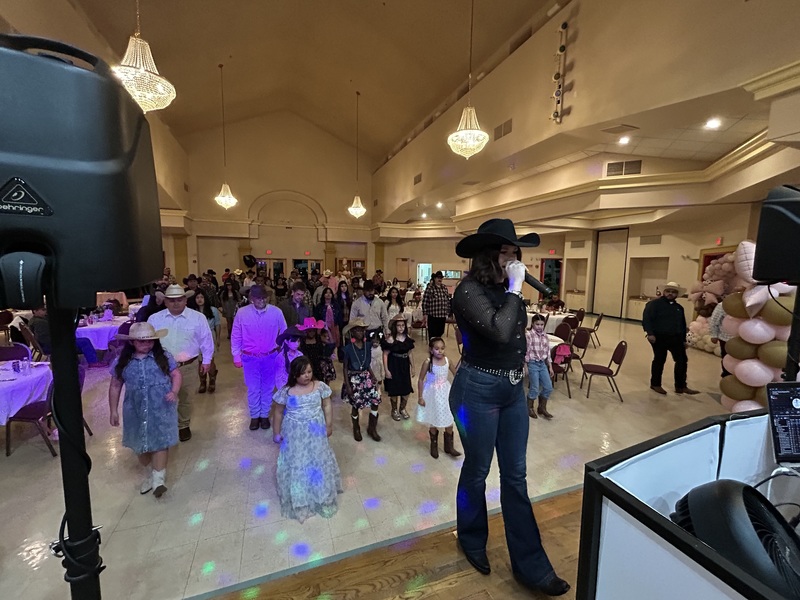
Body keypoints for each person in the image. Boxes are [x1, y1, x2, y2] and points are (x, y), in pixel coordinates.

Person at [449, 218, 570, 596]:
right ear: (488, 255)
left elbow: (515, 339)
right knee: (477, 470)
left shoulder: (509, 290)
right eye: (505, 252)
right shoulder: (468, 291)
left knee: (515, 476)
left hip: (512, 389)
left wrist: (515, 290)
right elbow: (500, 331)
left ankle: (532, 568)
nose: (513, 258)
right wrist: (516, 290)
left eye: (515, 252)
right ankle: (471, 538)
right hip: (476, 389)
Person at [107, 322, 182, 498]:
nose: (147, 345)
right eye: (142, 342)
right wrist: (113, 410)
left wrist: (174, 391)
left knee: (160, 441)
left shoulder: (163, 357)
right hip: (135, 408)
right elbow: (115, 385)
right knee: (140, 445)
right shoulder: (122, 362)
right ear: (132, 342)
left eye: (150, 341)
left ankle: (158, 480)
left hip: (160, 405)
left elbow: (176, 374)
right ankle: (152, 472)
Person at [272, 356, 342, 522]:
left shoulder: (319, 387)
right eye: (302, 373)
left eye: (309, 372)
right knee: (299, 461)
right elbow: (278, 412)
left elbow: (326, 405)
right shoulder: (286, 392)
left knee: (317, 460)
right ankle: (301, 498)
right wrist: (276, 432)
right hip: (295, 433)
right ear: (294, 374)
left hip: (316, 431)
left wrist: (329, 424)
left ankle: (321, 494)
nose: (307, 376)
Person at [148, 284, 215, 442]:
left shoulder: (198, 318)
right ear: (165, 302)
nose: (176, 303)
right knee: (161, 397)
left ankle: (183, 425)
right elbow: (148, 342)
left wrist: (206, 360)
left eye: (179, 299)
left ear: (185, 300)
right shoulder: (155, 319)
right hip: (160, 366)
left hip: (187, 365)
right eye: (172, 300)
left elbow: (206, 340)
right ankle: (164, 426)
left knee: (185, 397)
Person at [231, 285, 287, 431]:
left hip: (271, 356)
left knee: (268, 387)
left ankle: (264, 415)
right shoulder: (242, 313)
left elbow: (285, 333)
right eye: (258, 297)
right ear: (251, 298)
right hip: (250, 358)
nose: (261, 300)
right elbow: (236, 334)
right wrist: (236, 355)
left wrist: (284, 352)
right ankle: (255, 416)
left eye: (264, 297)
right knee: (253, 388)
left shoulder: (276, 312)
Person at [642, 281, 699, 395]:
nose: (670, 294)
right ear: (664, 292)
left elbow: (682, 325)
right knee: (659, 360)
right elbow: (647, 319)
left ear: (677, 294)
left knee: (682, 361)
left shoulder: (679, 308)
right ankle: (655, 384)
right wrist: (650, 333)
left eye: (673, 292)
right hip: (659, 337)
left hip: (676, 339)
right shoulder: (654, 304)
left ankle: (681, 386)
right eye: (668, 291)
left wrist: (683, 340)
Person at [417, 337, 461, 459]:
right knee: (433, 418)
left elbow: (456, 374)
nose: (440, 351)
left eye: (442, 348)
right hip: (432, 393)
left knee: (448, 417)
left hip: (445, 392)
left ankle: (449, 446)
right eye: (436, 349)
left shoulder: (448, 361)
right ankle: (434, 445)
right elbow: (420, 379)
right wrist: (420, 396)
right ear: (431, 350)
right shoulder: (428, 362)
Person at [341, 318, 381, 442]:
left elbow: (367, 363)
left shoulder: (367, 346)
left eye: (362, 330)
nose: (360, 332)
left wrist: (373, 375)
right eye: (357, 330)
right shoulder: (348, 348)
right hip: (354, 379)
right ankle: (356, 427)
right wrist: (348, 385)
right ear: (352, 332)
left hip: (367, 377)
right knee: (355, 404)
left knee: (375, 401)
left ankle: (372, 428)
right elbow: (345, 367)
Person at [28, 305, 106, 368]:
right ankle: (93, 362)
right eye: (43, 310)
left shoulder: (36, 320)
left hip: (52, 343)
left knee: (80, 340)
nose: (45, 311)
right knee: (84, 341)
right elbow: (45, 339)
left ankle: (82, 359)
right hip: (53, 345)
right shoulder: (39, 323)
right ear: (35, 311)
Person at [382, 314, 415, 421]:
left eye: (403, 325)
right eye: (398, 325)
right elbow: (385, 354)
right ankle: (394, 409)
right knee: (394, 389)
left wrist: (413, 367)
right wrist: (386, 370)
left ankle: (402, 408)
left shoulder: (408, 339)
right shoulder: (390, 339)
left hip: (404, 366)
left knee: (406, 389)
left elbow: (410, 353)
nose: (401, 327)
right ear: (394, 327)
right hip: (394, 365)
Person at [525, 314, 555, 419]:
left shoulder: (545, 336)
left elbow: (548, 352)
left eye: (542, 324)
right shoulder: (529, 335)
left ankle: (542, 408)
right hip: (533, 363)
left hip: (542, 364)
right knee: (535, 387)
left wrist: (550, 366)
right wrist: (526, 366)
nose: (539, 327)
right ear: (532, 324)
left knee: (548, 387)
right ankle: (529, 407)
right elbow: (526, 352)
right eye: (537, 324)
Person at [192, 289, 220, 394]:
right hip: (196, 338)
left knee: (210, 360)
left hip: (210, 336)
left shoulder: (213, 310)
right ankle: (202, 382)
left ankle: (212, 380)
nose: (199, 300)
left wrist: (217, 338)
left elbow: (217, 324)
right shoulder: (193, 312)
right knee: (200, 361)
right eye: (197, 297)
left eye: (201, 297)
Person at [422, 271, 452, 339]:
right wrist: (424, 314)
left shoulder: (444, 287)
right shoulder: (430, 288)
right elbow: (425, 302)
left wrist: (448, 312)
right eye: (438, 277)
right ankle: (432, 348)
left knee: (440, 333)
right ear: (435, 278)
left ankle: (437, 348)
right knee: (432, 334)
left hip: (442, 315)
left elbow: (447, 300)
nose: (440, 279)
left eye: (441, 278)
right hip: (433, 316)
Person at [708, 301, 732, 377]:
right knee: (727, 360)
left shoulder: (751, 304)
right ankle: (726, 379)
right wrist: (714, 335)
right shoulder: (723, 305)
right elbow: (714, 320)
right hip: (726, 339)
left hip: (745, 340)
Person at [298, 317, 326, 382]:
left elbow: (331, 343)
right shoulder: (302, 341)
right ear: (306, 331)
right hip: (306, 368)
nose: (312, 333)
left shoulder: (318, 339)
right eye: (310, 331)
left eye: (313, 330)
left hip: (318, 367)